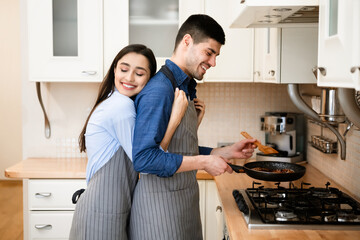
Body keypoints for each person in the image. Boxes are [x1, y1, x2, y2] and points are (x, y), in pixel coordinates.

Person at [129, 14, 257, 239]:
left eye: (216, 55)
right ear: (187, 41)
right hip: (159, 212)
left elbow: (179, 149)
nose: (213, 62)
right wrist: (206, 162)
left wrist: (224, 152)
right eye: (209, 52)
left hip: (182, 205)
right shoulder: (159, 90)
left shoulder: (184, 87)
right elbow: (144, 159)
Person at [69, 44, 195, 240]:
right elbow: (147, 162)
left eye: (139, 73)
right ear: (114, 70)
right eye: (124, 69)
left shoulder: (119, 102)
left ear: (149, 79)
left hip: (110, 211)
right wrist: (175, 119)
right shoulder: (121, 106)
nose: (128, 78)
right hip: (100, 213)